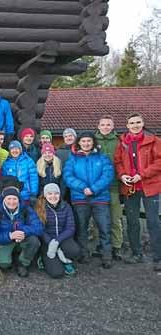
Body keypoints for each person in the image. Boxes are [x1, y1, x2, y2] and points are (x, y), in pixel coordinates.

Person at [114, 113, 161, 270]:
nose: (135, 125)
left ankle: (158, 257)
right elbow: (118, 161)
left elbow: (159, 162)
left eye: (138, 122)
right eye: (132, 123)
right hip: (130, 188)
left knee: (153, 222)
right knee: (132, 221)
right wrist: (122, 175)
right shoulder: (122, 143)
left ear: (143, 123)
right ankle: (136, 253)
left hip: (150, 186)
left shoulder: (154, 140)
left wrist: (142, 174)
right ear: (127, 125)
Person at [63, 131, 114, 268]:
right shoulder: (72, 159)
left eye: (89, 141)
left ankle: (106, 255)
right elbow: (68, 176)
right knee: (82, 228)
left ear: (93, 143)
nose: (86, 144)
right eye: (83, 141)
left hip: (100, 198)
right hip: (80, 198)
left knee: (104, 227)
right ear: (78, 142)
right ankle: (83, 254)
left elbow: (108, 175)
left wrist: (94, 189)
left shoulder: (102, 158)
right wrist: (83, 187)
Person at [0, 186, 43, 277]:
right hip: (5, 239)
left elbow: (39, 227)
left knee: (34, 241)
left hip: (22, 238)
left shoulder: (26, 209)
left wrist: (22, 231)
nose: (12, 202)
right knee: (3, 264)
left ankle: (22, 263)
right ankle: (10, 257)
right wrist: (10, 235)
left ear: (19, 199)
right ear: (3, 199)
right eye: (9, 198)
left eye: (14, 199)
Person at [34, 184, 79, 278]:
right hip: (47, 241)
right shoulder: (39, 207)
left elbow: (70, 228)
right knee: (57, 273)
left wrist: (57, 241)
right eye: (50, 194)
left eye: (56, 193)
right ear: (45, 195)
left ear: (60, 194)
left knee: (75, 251)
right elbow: (40, 230)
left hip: (62, 238)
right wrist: (51, 242)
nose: (53, 196)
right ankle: (43, 258)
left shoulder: (66, 206)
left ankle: (63, 257)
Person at [95, 115, 123, 260]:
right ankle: (97, 245)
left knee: (114, 217)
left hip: (113, 185)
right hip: (96, 186)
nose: (105, 127)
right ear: (98, 126)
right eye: (103, 125)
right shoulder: (92, 141)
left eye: (108, 125)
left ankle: (116, 246)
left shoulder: (119, 142)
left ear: (112, 127)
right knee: (96, 219)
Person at [1, 141, 39, 205]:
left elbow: (33, 177)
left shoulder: (28, 161)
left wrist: (33, 193)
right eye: (12, 149)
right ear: (10, 151)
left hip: (26, 194)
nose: (15, 151)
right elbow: (4, 180)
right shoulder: (6, 163)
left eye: (17, 148)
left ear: (20, 150)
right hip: (12, 196)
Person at [55, 128, 77, 200]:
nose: (68, 138)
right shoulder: (59, 152)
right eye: (66, 136)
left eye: (70, 135)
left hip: (77, 181)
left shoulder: (80, 149)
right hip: (63, 182)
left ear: (75, 137)